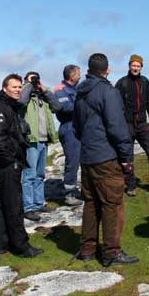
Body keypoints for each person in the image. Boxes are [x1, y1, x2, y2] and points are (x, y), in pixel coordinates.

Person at [73, 53, 139, 266]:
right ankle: (111, 252)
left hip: (88, 156)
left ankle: (87, 249)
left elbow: (76, 127)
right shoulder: (108, 92)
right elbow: (117, 127)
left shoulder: (80, 93)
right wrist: (127, 156)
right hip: (106, 156)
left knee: (91, 203)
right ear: (107, 70)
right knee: (112, 203)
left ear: (88, 70)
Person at [0, 74, 43, 258]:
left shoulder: (12, 107)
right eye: (14, 87)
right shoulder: (1, 110)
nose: (18, 90)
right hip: (8, 164)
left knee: (4, 202)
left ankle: (1, 243)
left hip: (11, 162)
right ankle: (20, 246)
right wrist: (12, 161)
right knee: (14, 205)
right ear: (4, 88)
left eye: (19, 87)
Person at [115, 54, 149, 196]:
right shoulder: (122, 83)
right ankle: (131, 186)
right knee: (127, 156)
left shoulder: (145, 81)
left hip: (142, 124)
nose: (135, 68)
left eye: (138, 66)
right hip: (127, 124)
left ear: (141, 67)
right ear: (129, 66)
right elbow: (116, 105)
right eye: (133, 65)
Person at [18, 71, 62, 221]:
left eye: (36, 79)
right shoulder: (25, 96)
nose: (34, 82)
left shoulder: (43, 96)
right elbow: (21, 101)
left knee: (40, 174)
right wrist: (29, 85)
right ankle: (28, 207)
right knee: (29, 175)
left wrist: (44, 89)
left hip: (43, 139)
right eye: (31, 80)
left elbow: (57, 106)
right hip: (31, 140)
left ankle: (39, 203)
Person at [53, 65, 83, 206]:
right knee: (72, 161)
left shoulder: (76, 89)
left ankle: (80, 190)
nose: (80, 76)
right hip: (69, 127)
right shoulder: (61, 91)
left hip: (80, 127)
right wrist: (83, 103)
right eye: (78, 74)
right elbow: (65, 108)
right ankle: (69, 194)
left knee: (83, 161)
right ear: (72, 76)